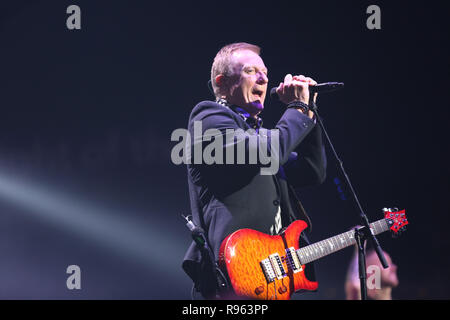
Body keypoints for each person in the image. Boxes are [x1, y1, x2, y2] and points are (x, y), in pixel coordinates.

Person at [182, 42, 327, 299]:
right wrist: (298, 109)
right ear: (223, 82)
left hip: (270, 278)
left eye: (265, 72)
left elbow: (312, 171)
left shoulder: (260, 136)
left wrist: (310, 114)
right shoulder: (207, 117)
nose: (263, 78)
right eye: (251, 71)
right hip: (231, 278)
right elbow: (269, 150)